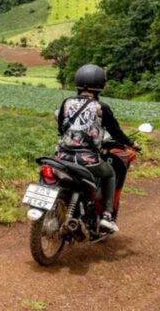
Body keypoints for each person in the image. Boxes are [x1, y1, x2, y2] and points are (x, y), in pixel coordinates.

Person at [55, 64, 134, 233]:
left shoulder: (67, 102)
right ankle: (106, 215)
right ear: (100, 85)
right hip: (87, 159)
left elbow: (61, 127)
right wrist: (131, 144)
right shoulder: (101, 107)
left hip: (61, 156)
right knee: (110, 174)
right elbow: (116, 132)